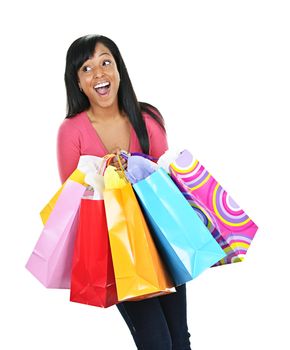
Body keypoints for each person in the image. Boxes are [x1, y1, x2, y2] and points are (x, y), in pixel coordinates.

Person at [57, 34, 192, 350]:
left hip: (161, 243)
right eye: (87, 69)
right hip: (117, 251)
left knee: (179, 339)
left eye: (106, 62)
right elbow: (72, 202)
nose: (99, 73)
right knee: (156, 342)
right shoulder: (71, 131)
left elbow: (165, 187)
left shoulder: (147, 119)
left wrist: (138, 167)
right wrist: (106, 173)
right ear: (77, 82)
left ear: (119, 70)